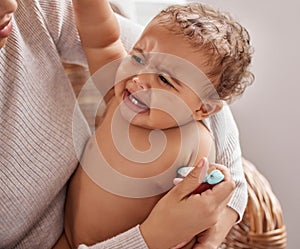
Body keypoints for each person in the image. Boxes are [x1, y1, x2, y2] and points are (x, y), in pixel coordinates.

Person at [0, 1, 241, 249]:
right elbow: (102, 39)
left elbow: (204, 205)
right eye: (137, 57)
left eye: (163, 80)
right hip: (66, 238)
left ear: (203, 109)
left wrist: (217, 188)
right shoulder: (120, 95)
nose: (138, 78)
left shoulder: (195, 144)